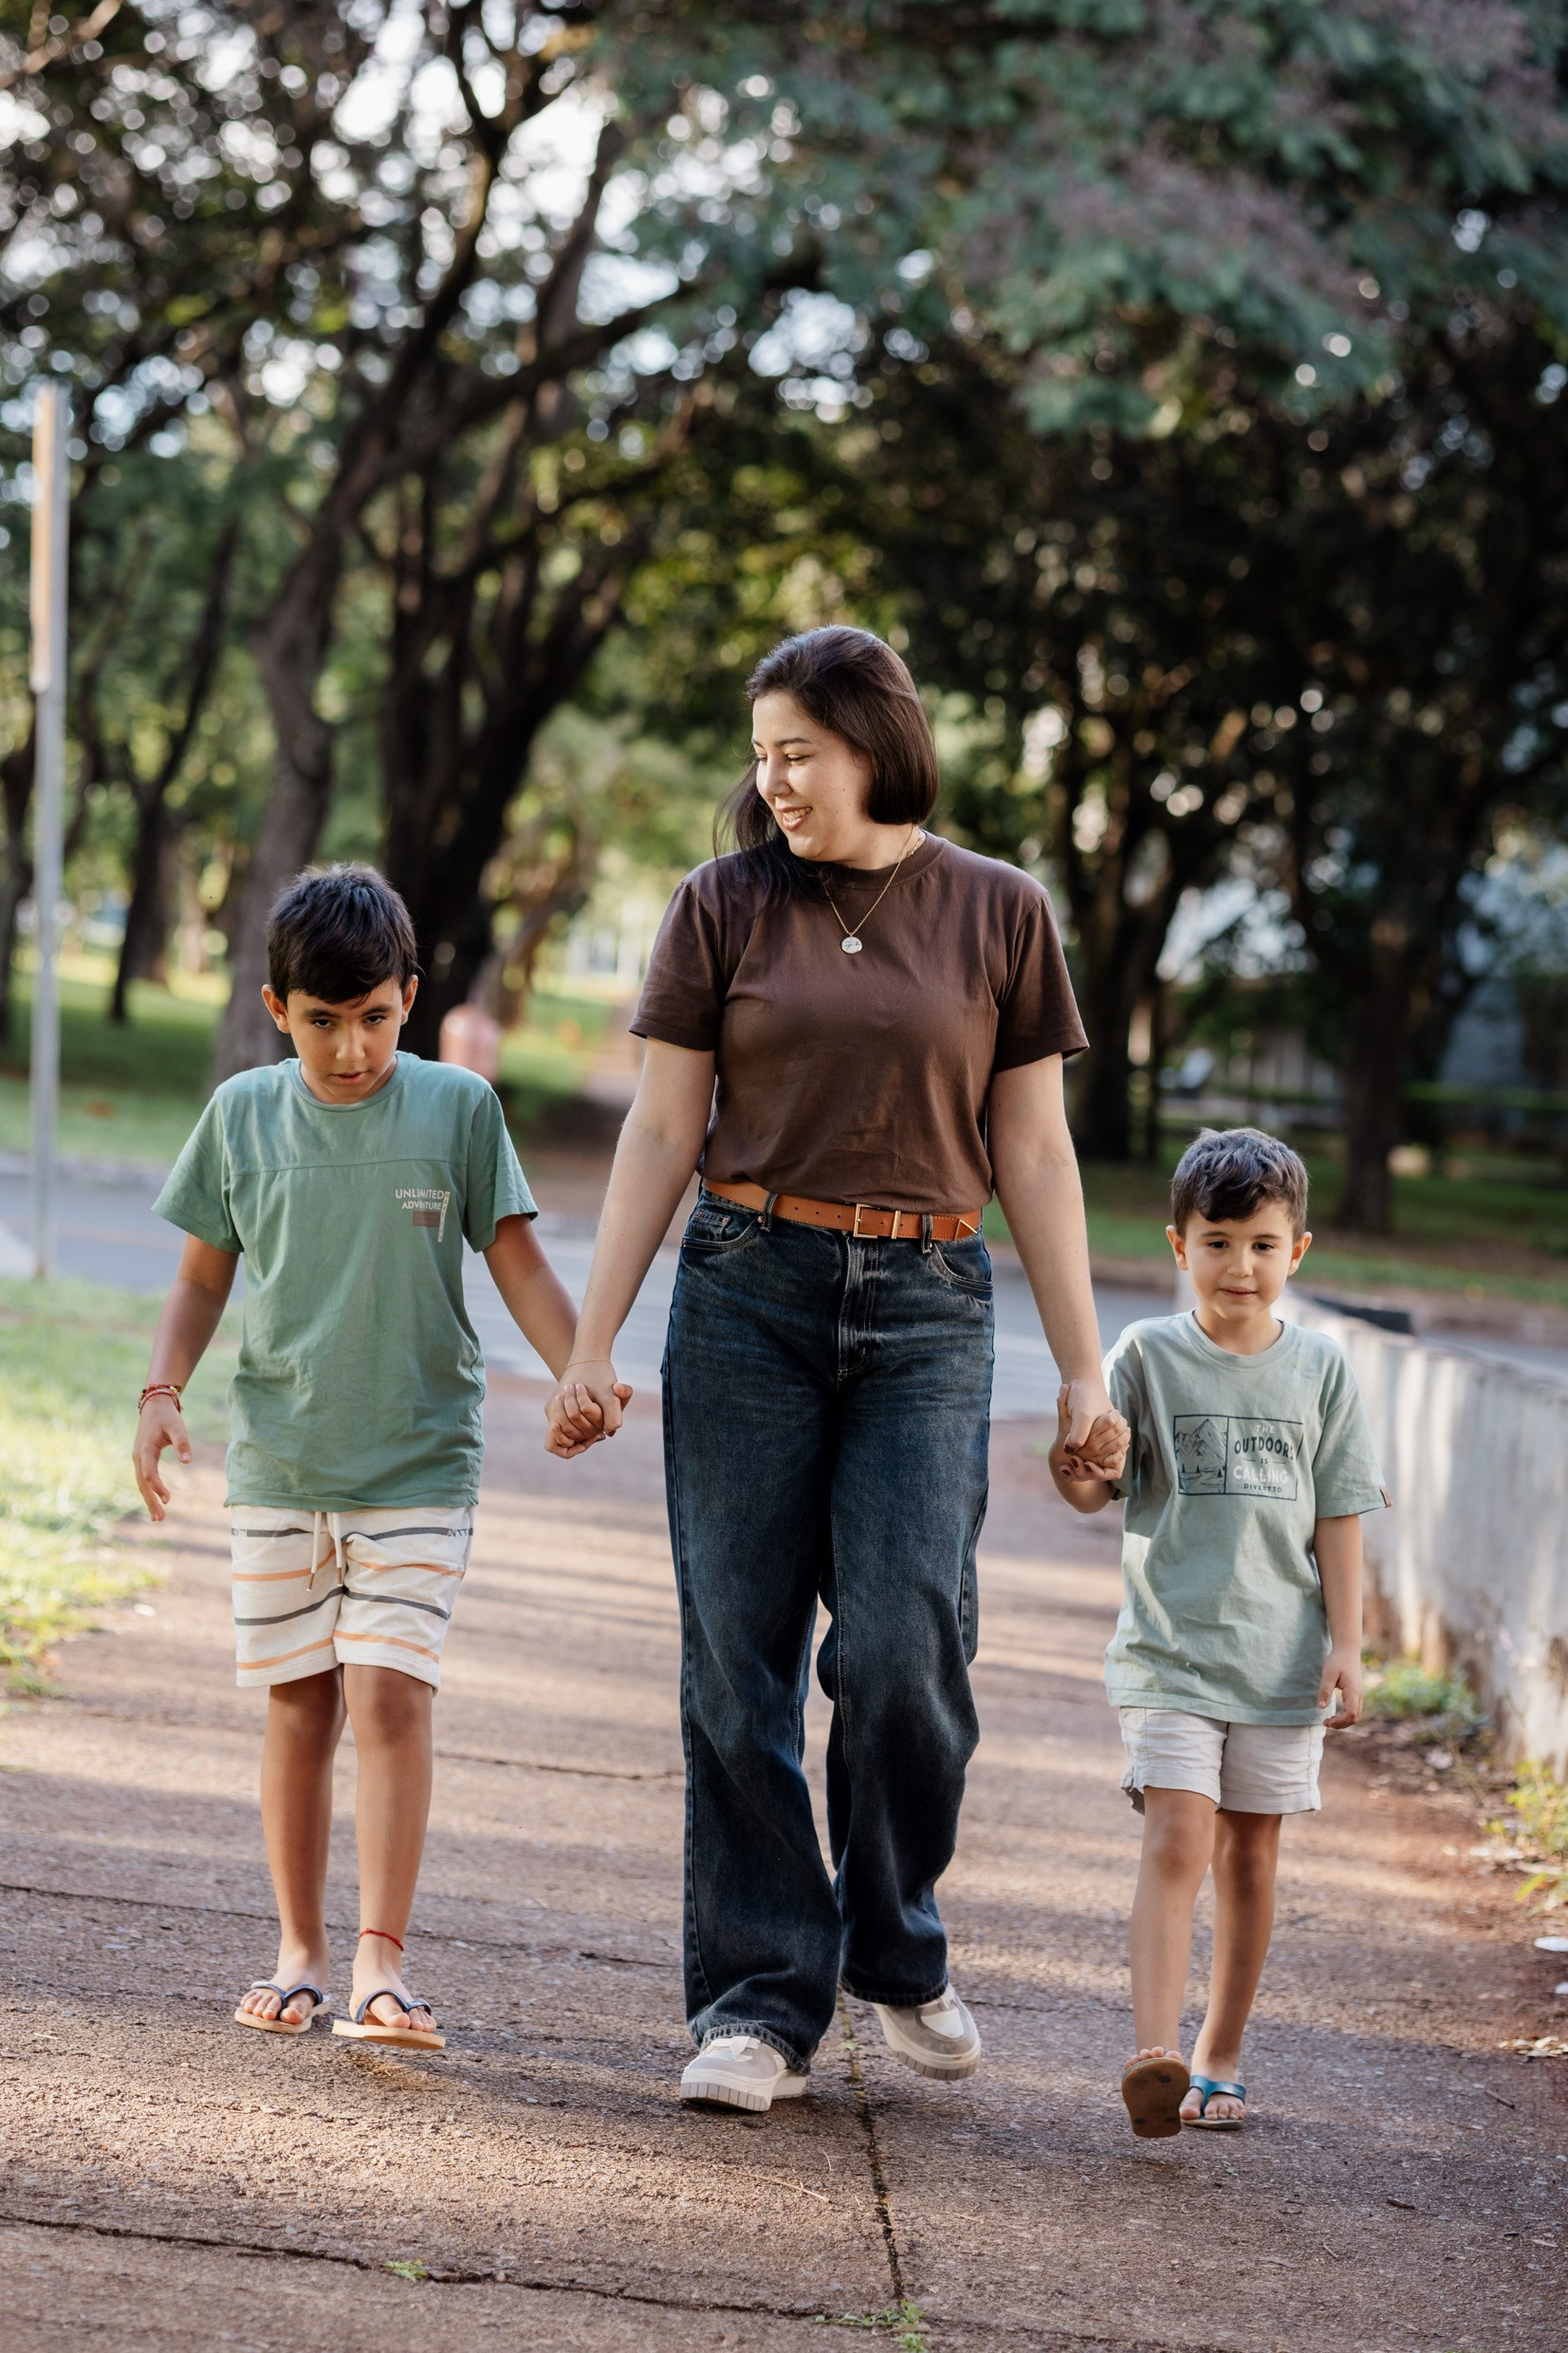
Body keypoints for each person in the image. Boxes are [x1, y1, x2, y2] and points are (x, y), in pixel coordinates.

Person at [544, 625, 1127, 2114]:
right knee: (734, 1664)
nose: (773, 781)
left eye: (796, 751)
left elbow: (1037, 1151)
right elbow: (663, 1130)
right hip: (748, 1290)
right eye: (761, 757)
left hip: (931, 1300)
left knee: (902, 1645)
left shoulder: (1000, 911)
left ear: (873, 738)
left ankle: (895, 1941)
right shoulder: (723, 904)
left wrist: (1082, 1372)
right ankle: (756, 1999)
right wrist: (593, 1339)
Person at [133, 866, 592, 2051]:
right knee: (299, 1705)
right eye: (324, 1020)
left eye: (375, 1016)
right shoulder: (241, 1115)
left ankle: (383, 1964)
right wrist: (160, 1391)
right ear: (278, 1007)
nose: (351, 1049)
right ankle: (300, 1950)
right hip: (282, 1462)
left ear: (412, 998)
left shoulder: (457, 1109)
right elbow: (198, 1280)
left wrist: (575, 1363)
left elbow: (520, 1261)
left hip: (419, 1464)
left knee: (390, 1693)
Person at [1050, 1125, 1386, 2138]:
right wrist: (1080, 1457)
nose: (1241, 1265)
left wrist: (1347, 1640)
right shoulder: (1146, 1354)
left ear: (1299, 1250)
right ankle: (1155, 2052)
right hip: (1170, 1651)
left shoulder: (1322, 1368)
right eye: (1218, 1241)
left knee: (1251, 1856)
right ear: (1178, 1244)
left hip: (1279, 1660)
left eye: (1263, 1244)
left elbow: (1342, 1512)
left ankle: (1221, 2054)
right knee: (1179, 1834)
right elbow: (1090, 1485)